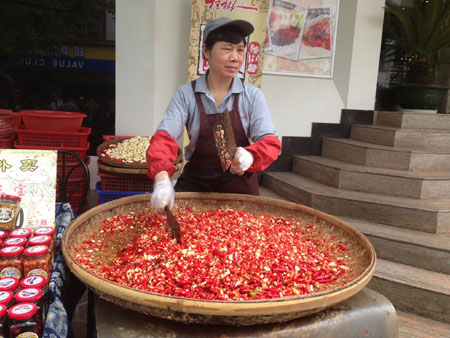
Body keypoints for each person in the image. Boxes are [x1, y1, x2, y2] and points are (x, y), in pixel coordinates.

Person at [147, 17, 281, 212]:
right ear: (205, 51)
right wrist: (161, 180)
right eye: (227, 49)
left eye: (240, 50)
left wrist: (251, 156)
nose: (235, 57)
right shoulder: (186, 95)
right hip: (196, 182)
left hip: (238, 185)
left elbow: (270, 142)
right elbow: (164, 139)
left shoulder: (252, 96)